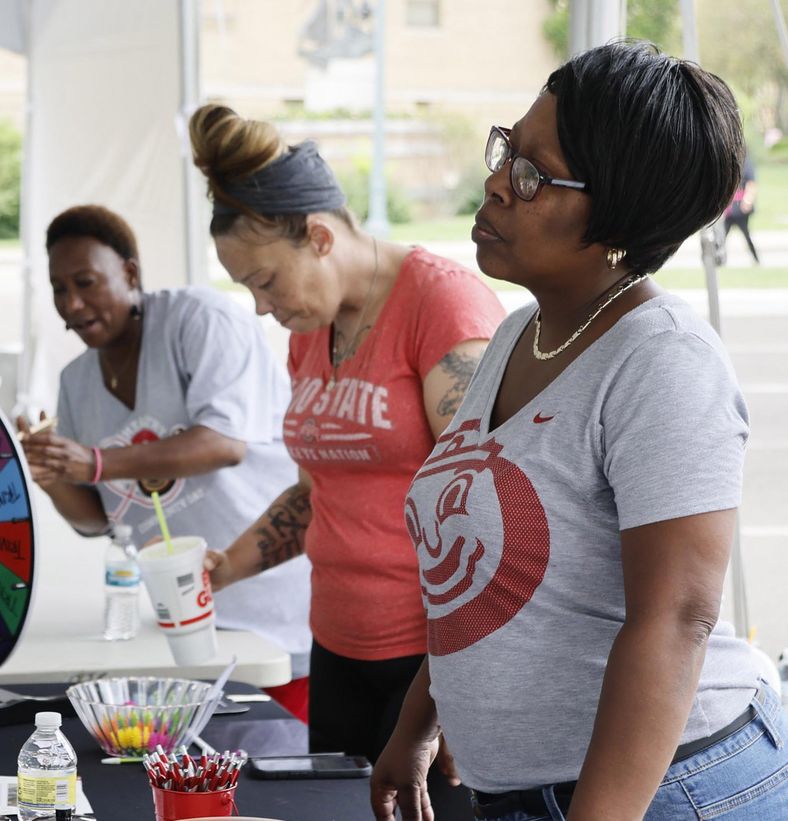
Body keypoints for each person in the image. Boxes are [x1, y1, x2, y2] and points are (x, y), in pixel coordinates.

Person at [371, 42, 788, 821]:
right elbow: (480, 575)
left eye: (532, 174)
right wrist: (418, 721)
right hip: (536, 791)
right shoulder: (518, 334)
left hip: (670, 790)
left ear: (617, 216)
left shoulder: (664, 362)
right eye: (507, 150)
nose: (496, 182)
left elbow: (674, 620)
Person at [187, 104, 503, 797]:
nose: (263, 308)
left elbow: (491, 513)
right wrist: (219, 569)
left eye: (266, 281)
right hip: (337, 647)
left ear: (321, 237)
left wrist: (455, 690)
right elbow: (316, 493)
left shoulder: (439, 306)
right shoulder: (314, 324)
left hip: (430, 664)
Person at [20, 204, 315, 715]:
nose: (72, 302)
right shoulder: (76, 383)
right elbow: (97, 519)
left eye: (87, 282)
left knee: (288, 774)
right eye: (59, 289)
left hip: (283, 617)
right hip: (183, 628)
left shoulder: (200, 320)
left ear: (130, 273)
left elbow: (223, 443)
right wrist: (50, 474)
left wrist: (93, 462)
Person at [717, 155, 760, 265]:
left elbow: (751, 183)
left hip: (740, 208)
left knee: (745, 234)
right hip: (731, 207)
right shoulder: (731, 162)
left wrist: (748, 201)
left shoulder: (747, 163)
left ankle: (756, 259)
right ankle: (719, 260)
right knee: (723, 234)